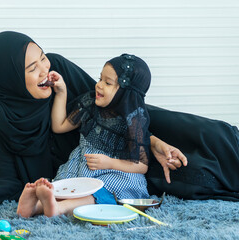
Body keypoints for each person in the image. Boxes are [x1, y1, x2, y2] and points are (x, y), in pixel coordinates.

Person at [0, 31, 239, 217]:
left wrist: (154, 142)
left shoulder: (59, 72)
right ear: (7, 78)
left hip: (129, 144)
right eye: (31, 67)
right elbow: (6, 178)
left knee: (209, 139)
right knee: (194, 182)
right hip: (85, 173)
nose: (44, 70)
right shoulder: (0, 117)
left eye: (42, 58)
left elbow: (115, 107)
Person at [17, 54, 152, 217]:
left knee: (100, 193)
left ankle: (59, 209)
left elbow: (141, 165)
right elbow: (59, 126)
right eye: (100, 79)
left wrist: (110, 163)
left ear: (126, 93)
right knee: (67, 188)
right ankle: (35, 206)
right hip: (83, 165)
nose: (99, 85)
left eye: (107, 83)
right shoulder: (90, 103)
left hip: (116, 172)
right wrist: (61, 92)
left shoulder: (134, 119)